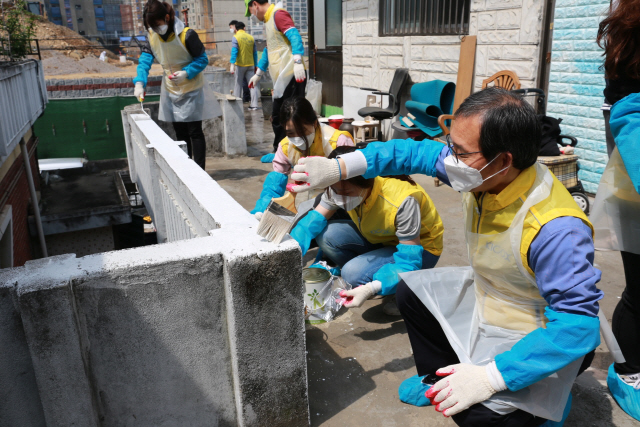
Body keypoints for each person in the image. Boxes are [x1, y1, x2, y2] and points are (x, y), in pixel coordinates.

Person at [290, 88, 603, 426]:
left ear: (504, 160)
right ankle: (437, 375)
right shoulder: (482, 173)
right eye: (450, 145)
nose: (449, 158)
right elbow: (413, 153)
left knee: (472, 413)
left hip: (534, 329)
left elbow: (577, 328)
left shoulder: (556, 230)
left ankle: (550, 405)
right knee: (411, 290)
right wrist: (340, 167)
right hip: (492, 294)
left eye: (461, 151)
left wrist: (491, 379)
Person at [289, 146, 443, 316]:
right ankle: (373, 272)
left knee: (352, 274)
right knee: (327, 235)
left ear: (367, 181)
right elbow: (311, 223)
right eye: (335, 191)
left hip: (421, 250)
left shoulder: (402, 200)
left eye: (346, 192)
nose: (339, 197)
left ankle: (404, 289)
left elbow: (409, 260)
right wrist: (289, 252)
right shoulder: (339, 187)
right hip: (382, 238)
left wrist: (372, 287)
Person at [592, 1, 640, 421]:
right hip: (635, 184)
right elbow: (629, 113)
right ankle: (628, 370)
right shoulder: (630, 43)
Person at [133, 0, 220, 170]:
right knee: (180, 133)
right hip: (171, 89)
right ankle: (186, 168)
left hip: (192, 87)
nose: (156, 29)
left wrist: (187, 72)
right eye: (151, 26)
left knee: (195, 131)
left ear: (166, 17)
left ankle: (200, 170)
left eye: (157, 24)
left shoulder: (186, 35)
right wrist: (139, 82)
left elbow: (202, 59)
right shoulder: (152, 36)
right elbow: (144, 61)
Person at [251, 97, 354, 215]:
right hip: (315, 201)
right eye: (290, 133)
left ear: (315, 123)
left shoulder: (338, 142)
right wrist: (264, 206)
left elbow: (355, 183)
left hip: (343, 202)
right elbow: (275, 182)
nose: (297, 137)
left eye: (303, 131)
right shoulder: (285, 146)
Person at [244, 0, 307, 152]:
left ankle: (295, 151)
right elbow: (269, 50)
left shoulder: (278, 15)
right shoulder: (269, 21)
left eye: (250, 11)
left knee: (291, 117)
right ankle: (279, 151)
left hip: (292, 74)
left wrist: (298, 60)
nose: (252, 15)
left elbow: (295, 37)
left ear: (255, 4)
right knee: (278, 117)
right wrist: (258, 73)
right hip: (281, 78)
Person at [229, 20, 259, 110]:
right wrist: (256, 65)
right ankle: (254, 105)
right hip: (251, 65)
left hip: (240, 65)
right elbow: (255, 53)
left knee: (238, 84)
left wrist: (232, 64)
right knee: (252, 85)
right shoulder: (251, 37)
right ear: (244, 28)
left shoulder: (236, 37)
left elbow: (234, 52)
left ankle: (237, 105)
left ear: (236, 29)